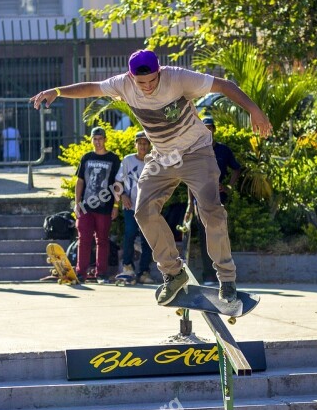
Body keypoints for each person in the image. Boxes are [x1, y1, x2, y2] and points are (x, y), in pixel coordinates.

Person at [31, 49, 272, 305]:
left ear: (159, 71)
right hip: (162, 158)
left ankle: (226, 278)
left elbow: (224, 85)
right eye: (141, 82)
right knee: (143, 211)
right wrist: (57, 91)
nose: (147, 87)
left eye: (152, 81)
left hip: (196, 152)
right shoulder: (123, 83)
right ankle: (173, 272)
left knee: (211, 210)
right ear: (131, 76)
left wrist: (254, 111)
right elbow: (90, 88)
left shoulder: (178, 78)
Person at [193, 115, 241, 285]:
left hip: (218, 199)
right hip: (199, 199)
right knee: (204, 236)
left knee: (219, 236)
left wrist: (228, 187)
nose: (207, 131)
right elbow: (188, 178)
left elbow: (237, 169)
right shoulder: (195, 150)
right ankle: (208, 276)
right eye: (204, 128)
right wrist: (189, 206)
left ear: (214, 130)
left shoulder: (224, 150)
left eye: (210, 128)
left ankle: (225, 276)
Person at [74, 127, 121, 283]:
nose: (98, 142)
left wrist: (115, 206)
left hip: (105, 206)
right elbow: (80, 181)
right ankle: (81, 273)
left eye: (100, 138)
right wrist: (77, 203)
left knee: (102, 240)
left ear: (105, 140)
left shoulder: (113, 159)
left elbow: (117, 184)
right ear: (91, 140)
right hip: (86, 206)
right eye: (95, 139)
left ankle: (101, 273)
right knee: (84, 239)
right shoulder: (86, 158)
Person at [116, 131, 154, 283]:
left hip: (148, 208)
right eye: (140, 143)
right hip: (131, 205)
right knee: (130, 234)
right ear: (135, 145)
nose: (142, 146)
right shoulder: (128, 160)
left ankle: (144, 272)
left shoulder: (154, 161)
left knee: (147, 240)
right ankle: (127, 266)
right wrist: (123, 195)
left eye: (145, 143)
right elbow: (117, 182)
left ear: (150, 145)